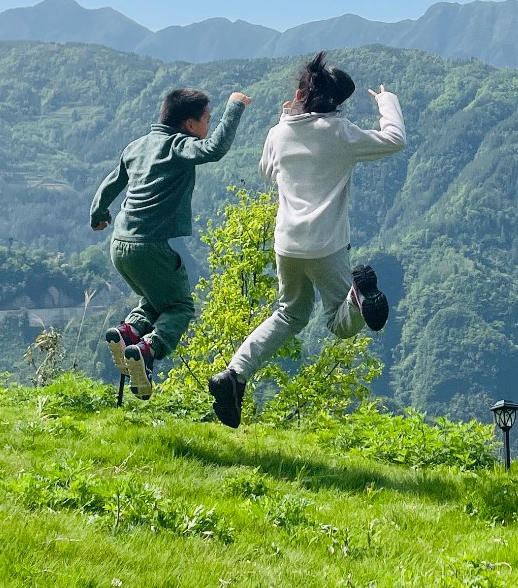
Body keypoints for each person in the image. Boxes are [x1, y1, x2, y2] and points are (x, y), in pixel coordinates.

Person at [209, 53, 405, 427]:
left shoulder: (278, 134)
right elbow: (394, 139)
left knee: (288, 314)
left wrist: (286, 120)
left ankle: (234, 374)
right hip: (326, 246)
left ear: (302, 93)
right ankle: (358, 298)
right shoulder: (340, 133)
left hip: (287, 244)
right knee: (338, 322)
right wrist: (386, 101)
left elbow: (267, 172)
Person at [91, 85, 249, 398]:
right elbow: (214, 150)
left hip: (119, 244)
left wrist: (98, 215)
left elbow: (111, 184)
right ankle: (147, 350)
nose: (207, 126)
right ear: (189, 124)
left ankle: (127, 332)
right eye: (206, 119)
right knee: (179, 307)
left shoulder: (138, 146)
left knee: (155, 300)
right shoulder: (179, 145)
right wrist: (235, 107)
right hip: (152, 244)